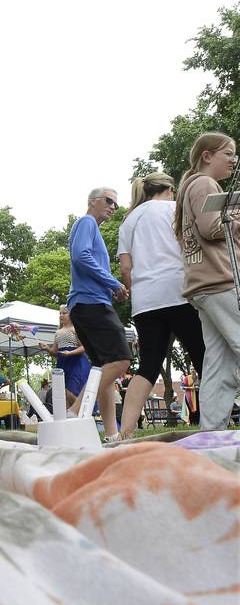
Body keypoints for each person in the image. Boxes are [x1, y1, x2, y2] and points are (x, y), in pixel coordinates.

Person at [116, 172, 205, 437]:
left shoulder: (128, 221)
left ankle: (125, 432)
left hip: (145, 300)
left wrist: (137, 289)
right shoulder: (176, 209)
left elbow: (125, 268)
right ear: (169, 189)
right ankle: (212, 423)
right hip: (179, 291)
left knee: (149, 365)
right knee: (202, 356)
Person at [175, 132, 240, 431]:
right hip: (221, 280)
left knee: (219, 364)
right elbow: (212, 227)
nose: (233, 159)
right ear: (207, 156)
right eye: (227, 153)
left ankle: (210, 435)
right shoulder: (204, 184)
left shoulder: (191, 186)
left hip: (203, 284)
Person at [67, 187, 131, 441]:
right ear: (92, 201)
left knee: (103, 368)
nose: (113, 207)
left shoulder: (89, 227)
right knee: (120, 360)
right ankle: (75, 411)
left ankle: (112, 435)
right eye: (109, 201)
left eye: (116, 204)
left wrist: (109, 287)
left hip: (86, 303)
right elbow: (81, 256)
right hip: (91, 303)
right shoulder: (86, 222)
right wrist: (114, 283)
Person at [40, 305, 92, 405]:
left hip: (76, 363)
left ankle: (80, 412)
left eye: (64, 313)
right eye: (60, 313)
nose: (61, 315)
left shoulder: (75, 329)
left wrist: (70, 353)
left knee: (74, 389)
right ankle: (74, 413)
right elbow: (55, 352)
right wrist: (47, 348)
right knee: (64, 391)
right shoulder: (58, 332)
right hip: (63, 363)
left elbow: (83, 347)